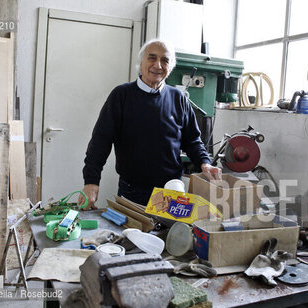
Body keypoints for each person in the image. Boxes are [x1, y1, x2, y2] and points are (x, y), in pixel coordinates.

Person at [78, 39, 221, 209]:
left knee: (171, 235)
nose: (158, 65)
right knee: (130, 235)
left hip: (172, 190)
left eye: (165, 60)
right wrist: (91, 181)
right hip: (132, 192)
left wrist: (204, 162)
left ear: (171, 66)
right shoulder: (121, 96)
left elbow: (192, 140)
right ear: (141, 62)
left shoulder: (179, 98)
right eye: (152, 58)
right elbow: (101, 141)